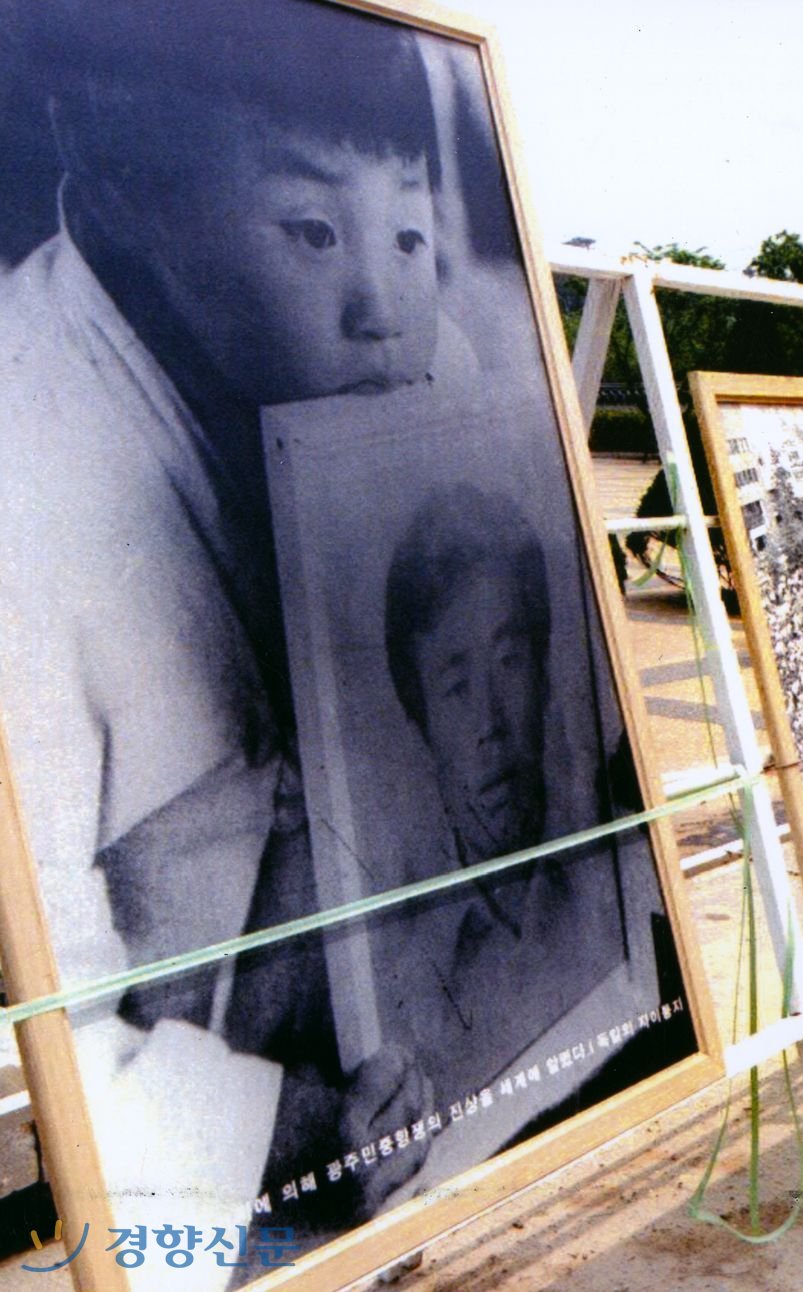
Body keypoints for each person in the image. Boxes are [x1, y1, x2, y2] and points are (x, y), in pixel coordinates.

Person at [0, 0, 447, 1265]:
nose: (386, 306)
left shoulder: (399, 352)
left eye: (410, 230)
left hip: (385, 1087)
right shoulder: (20, 479)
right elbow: (35, 1036)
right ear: (127, 185)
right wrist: (283, 1129)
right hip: (151, 1200)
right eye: (311, 227)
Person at [378, 485, 690, 1115]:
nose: (490, 723)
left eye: (510, 662)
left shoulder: (638, 880)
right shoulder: (404, 979)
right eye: (457, 686)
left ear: (545, 675)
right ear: (422, 721)